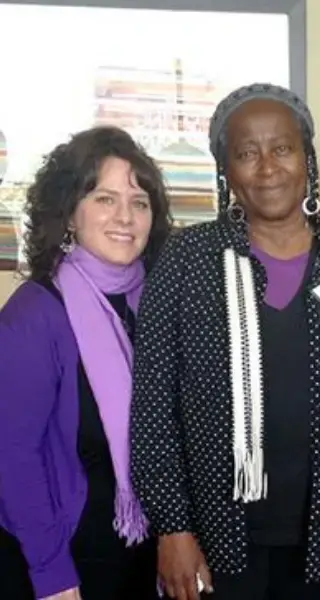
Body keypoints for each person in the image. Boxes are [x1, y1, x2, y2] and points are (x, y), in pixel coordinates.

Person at [129, 83, 320, 600]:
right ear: (226, 170)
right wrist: (172, 527)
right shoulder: (187, 261)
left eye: (282, 148)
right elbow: (154, 410)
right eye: (247, 153)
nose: (267, 167)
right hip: (215, 545)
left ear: (308, 158)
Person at [0, 126, 171, 600]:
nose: (125, 216)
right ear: (70, 211)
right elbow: (12, 459)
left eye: (139, 202)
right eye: (104, 199)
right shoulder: (34, 315)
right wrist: (53, 575)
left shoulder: (154, 305)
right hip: (62, 568)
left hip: (139, 558)